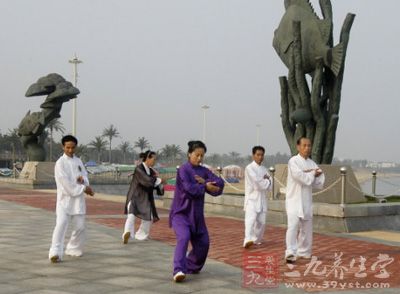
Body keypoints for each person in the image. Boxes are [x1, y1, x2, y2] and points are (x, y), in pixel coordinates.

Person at [169, 140, 224, 282]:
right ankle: (178, 270)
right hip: (181, 213)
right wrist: (205, 186)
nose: (199, 158)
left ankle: (190, 266)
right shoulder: (183, 170)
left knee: (204, 244)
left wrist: (206, 184)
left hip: (197, 217)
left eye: (202, 155)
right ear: (189, 154)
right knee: (184, 237)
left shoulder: (204, 171)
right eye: (197, 155)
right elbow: (189, 189)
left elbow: (220, 183)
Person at [48, 135, 94, 263]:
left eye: (72, 147)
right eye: (67, 147)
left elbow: (84, 176)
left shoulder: (78, 161)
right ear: (63, 147)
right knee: (61, 224)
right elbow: (65, 184)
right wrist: (83, 188)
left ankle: (73, 247)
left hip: (78, 201)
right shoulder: (60, 163)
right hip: (65, 200)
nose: (70, 150)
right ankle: (55, 251)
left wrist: (83, 181)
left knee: (80, 227)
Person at [285, 137, 325, 263]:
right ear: (298, 147)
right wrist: (312, 174)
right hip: (293, 200)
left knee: (306, 227)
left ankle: (304, 251)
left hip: (306, 200)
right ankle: (290, 252)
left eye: (309, 145)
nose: (307, 148)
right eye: (304, 145)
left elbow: (320, 180)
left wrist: (312, 173)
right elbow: (301, 177)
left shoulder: (312, 163)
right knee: (293, 226)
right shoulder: (293, 161)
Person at [122, 150, 164, 243]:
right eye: (154, 159)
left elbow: (155, 184)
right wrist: (158, 180)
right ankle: (127, 233)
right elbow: (147, 181)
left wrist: (161, 184)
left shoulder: (152, 171)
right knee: (131, 215)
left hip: (145, 199)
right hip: (135, 196)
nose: (155, 161)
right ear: (148, 158)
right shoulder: (139, 168)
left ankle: (140, 235)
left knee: (149, 217)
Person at [243, 146, 271, 249]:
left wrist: (266, 181)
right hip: (252, 198)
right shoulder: (249, 168)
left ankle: (256, 239)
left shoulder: (264, 169)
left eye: (262, 155)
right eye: (258, 155)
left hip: (262, 199)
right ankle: (247, 240)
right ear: (253, 155)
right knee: (250, 220)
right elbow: (257, 184)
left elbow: (270, 184)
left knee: (261, 222)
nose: (260, 157)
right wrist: (266, 180)